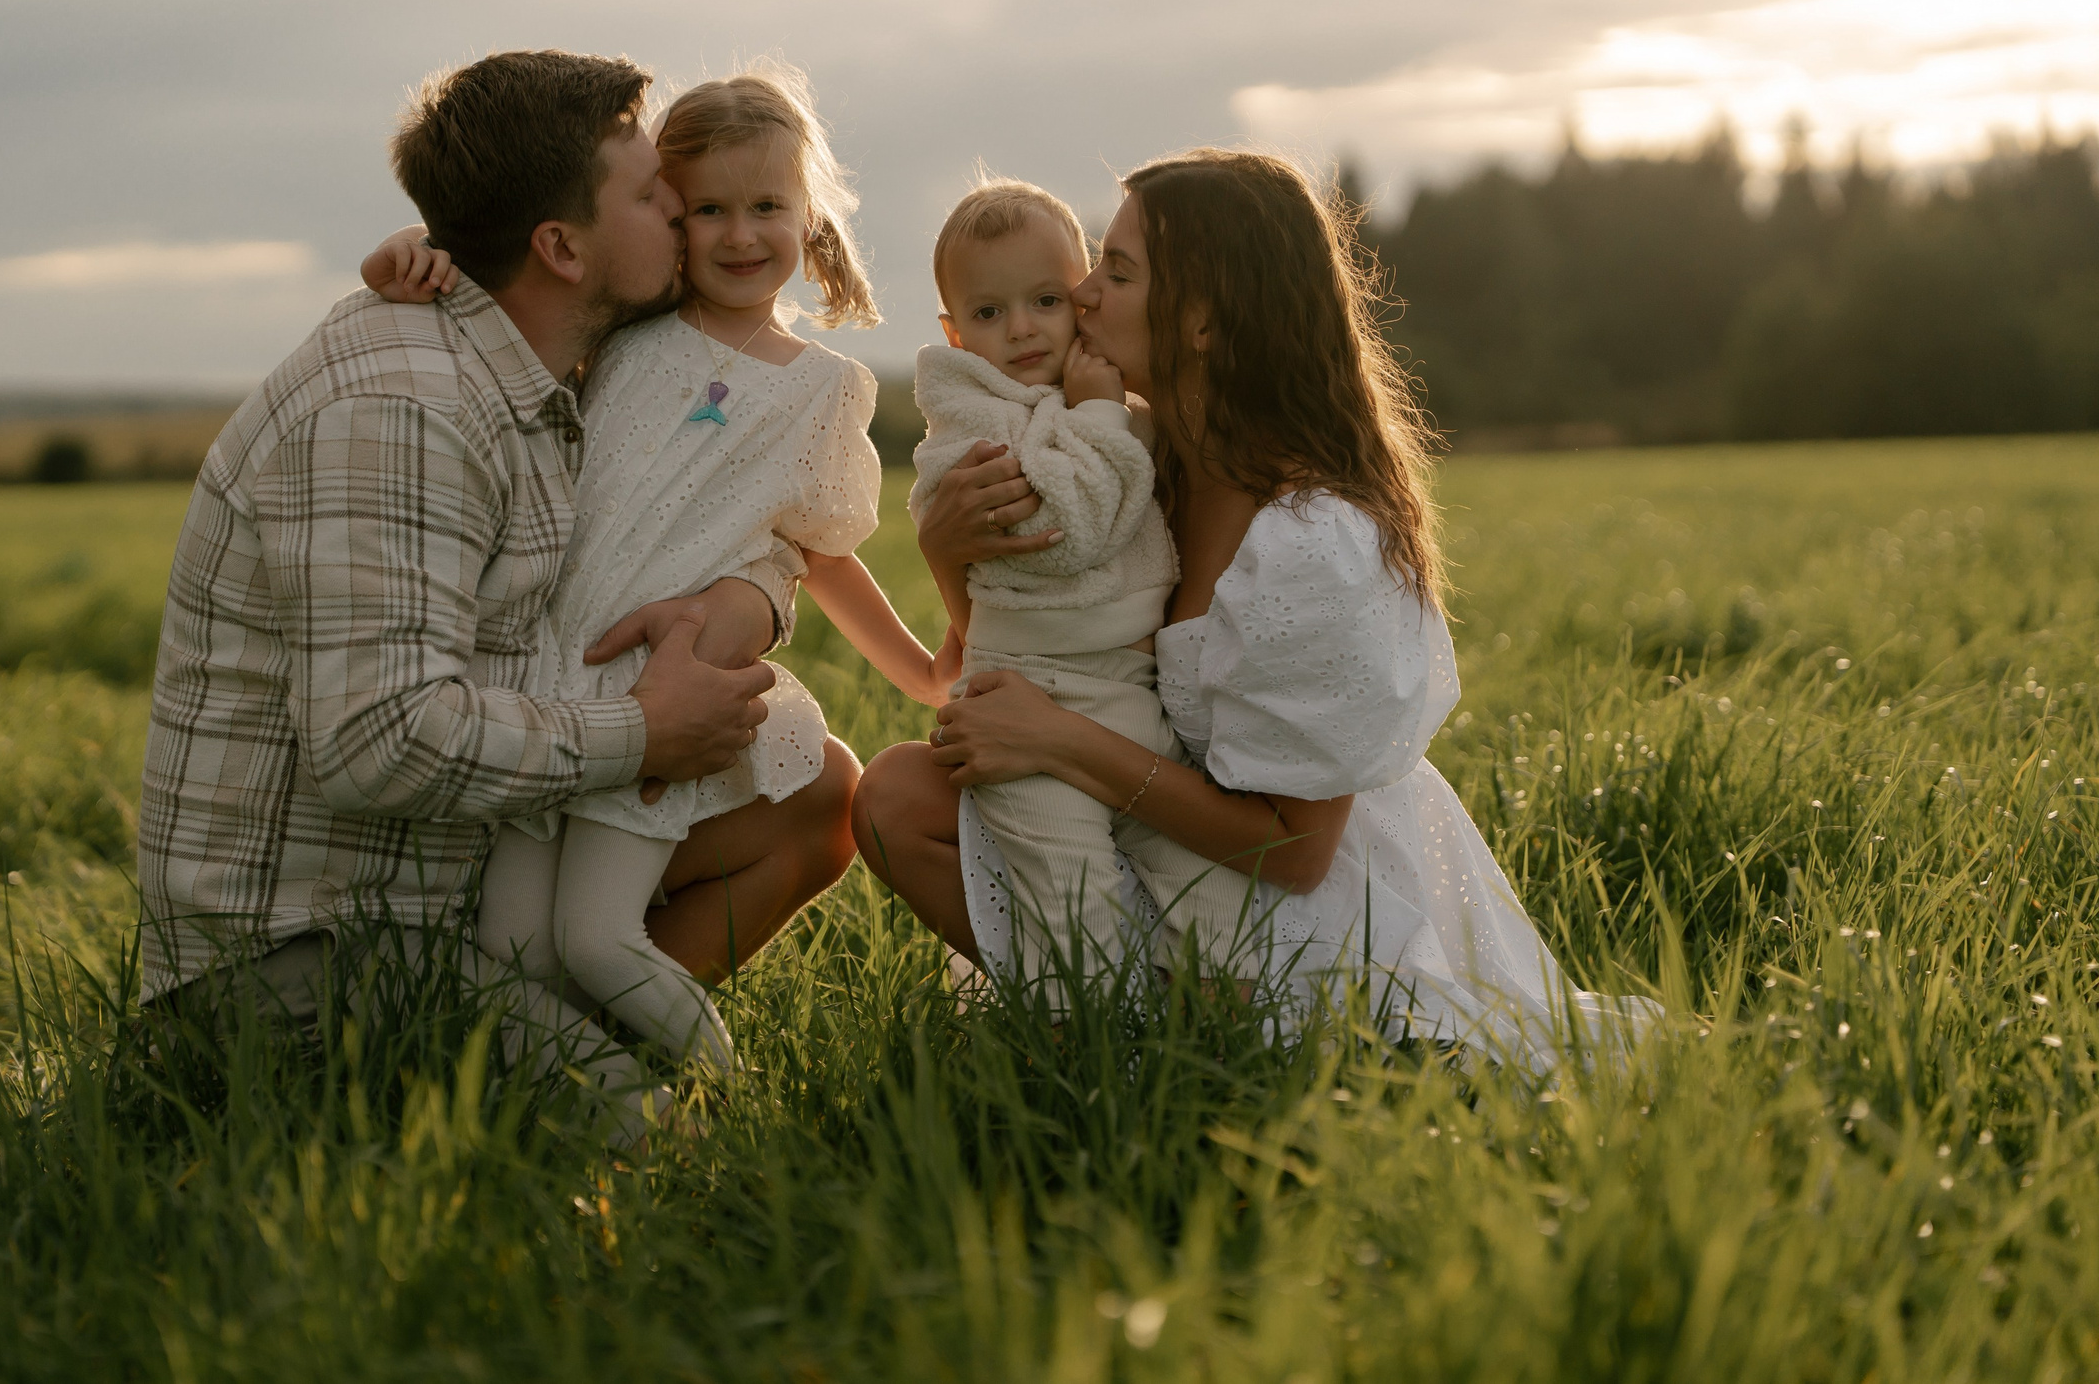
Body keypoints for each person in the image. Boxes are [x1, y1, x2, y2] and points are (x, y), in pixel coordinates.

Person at [137, 49, 854, 1133]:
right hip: (309, 959)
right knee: (663, 1137)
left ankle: (572, 1020)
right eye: (653, 193)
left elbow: (709, 507)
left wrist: (748, 597)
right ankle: (602, 1069)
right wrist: (640, 733)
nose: (686, 213)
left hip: (456, 883)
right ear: (561, 247)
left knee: (814, 792)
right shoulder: (403, 409)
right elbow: (376, 741)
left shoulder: (557, 351)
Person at [858, 148, 1659, 1067]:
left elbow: (1294, 853)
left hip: (1290, 897)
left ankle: (1152, 1040)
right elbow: (1006, 648)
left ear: (1201, 322)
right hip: (1150, 814)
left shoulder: (1310, 537)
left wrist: (1061, 741)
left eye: (1115, 271)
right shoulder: (1141, 461)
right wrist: (944, 546)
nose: (1079, 293)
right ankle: (1107, 1015)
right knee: (895, 795)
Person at [365, 67, 960, 1075]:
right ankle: (588, 1101)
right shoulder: (626, 332)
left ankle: (716, 1103)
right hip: (543, 687)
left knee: (598, 942)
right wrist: (420, 251)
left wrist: (921, 673)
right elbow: (512, 290)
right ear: (668, 221)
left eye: (767, 207)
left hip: (657, 701)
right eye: (707, 210)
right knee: (512, 954)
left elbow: (822, 553)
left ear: (809, 217)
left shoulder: (822, 389)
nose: (738, 235)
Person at [907, 178, 1260, 995]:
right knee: (1067, 898)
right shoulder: (973, 425)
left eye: (1044, 300)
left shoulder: (1121, 411)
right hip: (1027, 694)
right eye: (989, 315)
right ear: (957, 334)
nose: (1023, 329)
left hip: (1128, 690)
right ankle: (1090, 1049)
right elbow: (1067, 530)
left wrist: (1105, 411)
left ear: (1082, 302)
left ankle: (1224, 1031)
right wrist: (1099, 415)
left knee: (1208, 895)